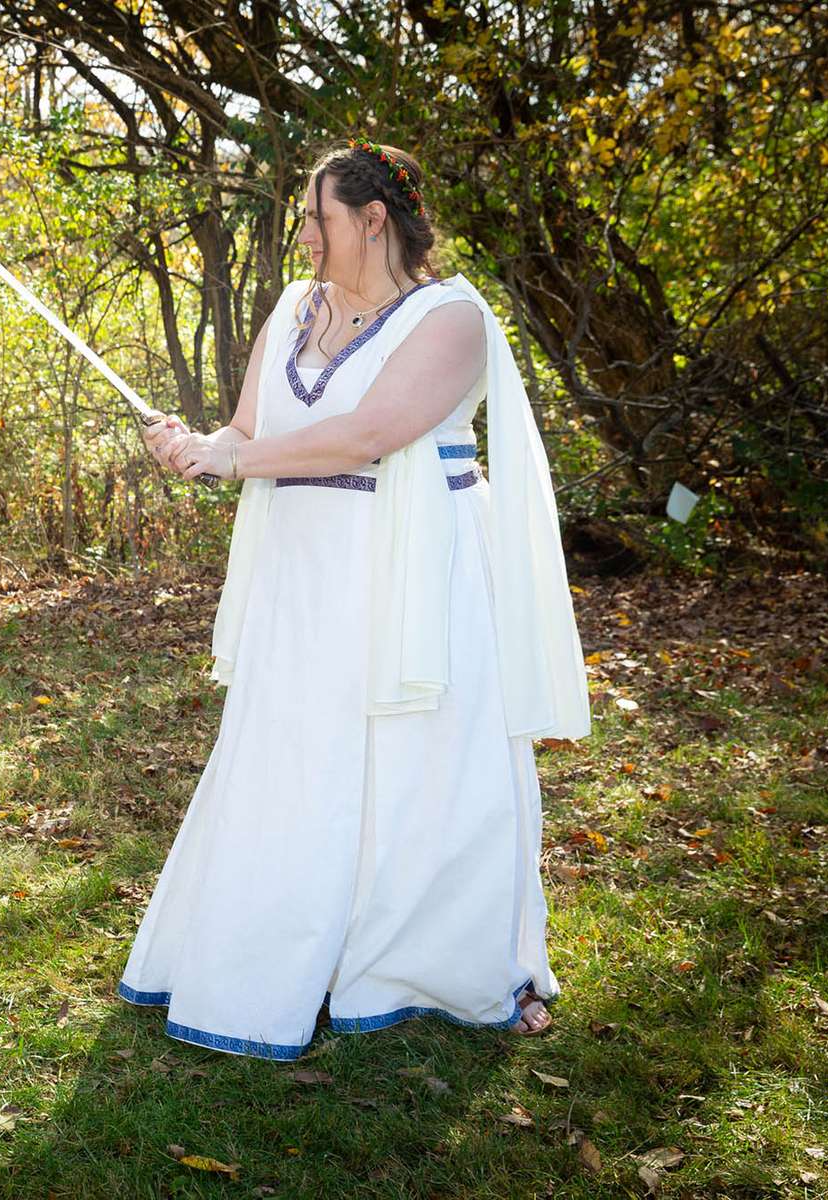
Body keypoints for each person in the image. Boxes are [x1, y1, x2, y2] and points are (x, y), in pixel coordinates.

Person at [123, 138, 590, 1059]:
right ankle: (284, 946)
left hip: (415, 574)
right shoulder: (294, 307)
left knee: (422, 761)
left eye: (316, 218)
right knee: (298, 750)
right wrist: (194, 447)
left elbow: (371, 433)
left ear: (373, 221)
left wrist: (235, 457)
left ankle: (429, 959)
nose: (301, 235)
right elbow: (251, 429)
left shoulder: (454, 320)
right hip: (304, 574)